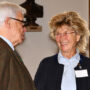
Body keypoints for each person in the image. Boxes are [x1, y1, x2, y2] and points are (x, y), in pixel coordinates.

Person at [34, 11, 90, 90]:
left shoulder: (88, 65)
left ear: (77, 36)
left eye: (66, 33)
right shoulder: (46, 64)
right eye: (58, 34)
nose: (62, 38)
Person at [0, 1, 35, 90]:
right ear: (8, 22)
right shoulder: (2, 50)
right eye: (21, 22)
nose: (24, 29)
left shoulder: (7, 49)